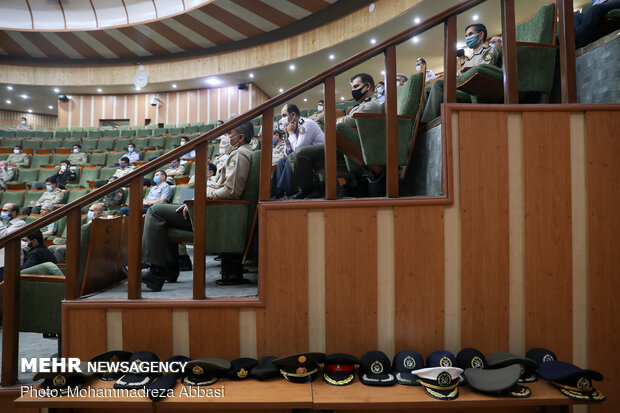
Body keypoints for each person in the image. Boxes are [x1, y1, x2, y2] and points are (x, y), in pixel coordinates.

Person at [138, 122, 254, 292]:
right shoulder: (237, 153)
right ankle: (167, 270)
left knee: (155, 211)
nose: (225, 137)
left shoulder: (240, 155)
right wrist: (197, 197)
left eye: (229, 133)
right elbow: (219, 187)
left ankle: (155, 271)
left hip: (216, 215)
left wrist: (199, 198)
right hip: (212, 210)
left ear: (241, 137)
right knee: (166, 215)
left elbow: (231, 192)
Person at [288, 73, 384, 198]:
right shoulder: (361, 105)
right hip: (344, 143)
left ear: (367, 86)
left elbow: (346, 122)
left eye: (356, 86)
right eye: (352, 87)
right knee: (294, 156)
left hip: (351, 147)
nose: (353, 90)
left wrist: (332, 120)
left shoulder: (371, 105)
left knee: (300, 153)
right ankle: (310, 189)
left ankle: (310, 191)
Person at [421, 23, 501, 124]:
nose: (467, 38)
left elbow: (484, 69)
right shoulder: (469, 59)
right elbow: (458, 73)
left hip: (471, 89)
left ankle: (427, 124)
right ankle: (420, 127)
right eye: (466, 36)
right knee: (427, 89)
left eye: (470, 34)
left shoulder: (489, 51)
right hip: (460, 85)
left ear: (480, 35)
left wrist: (464, 71)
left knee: (438, 85)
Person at [271, 104, 325, 198]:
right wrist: (287, 137)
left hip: (321, 153)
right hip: (305, 156)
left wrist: (291, 133)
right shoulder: (294, 127)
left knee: (290, 159)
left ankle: (286, 192)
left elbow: (298, 149)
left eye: (284, 115)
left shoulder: (305, 124)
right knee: (281, 161)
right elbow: (287, 154)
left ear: (293, 115)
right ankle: (275, 193)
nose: (282, 118)